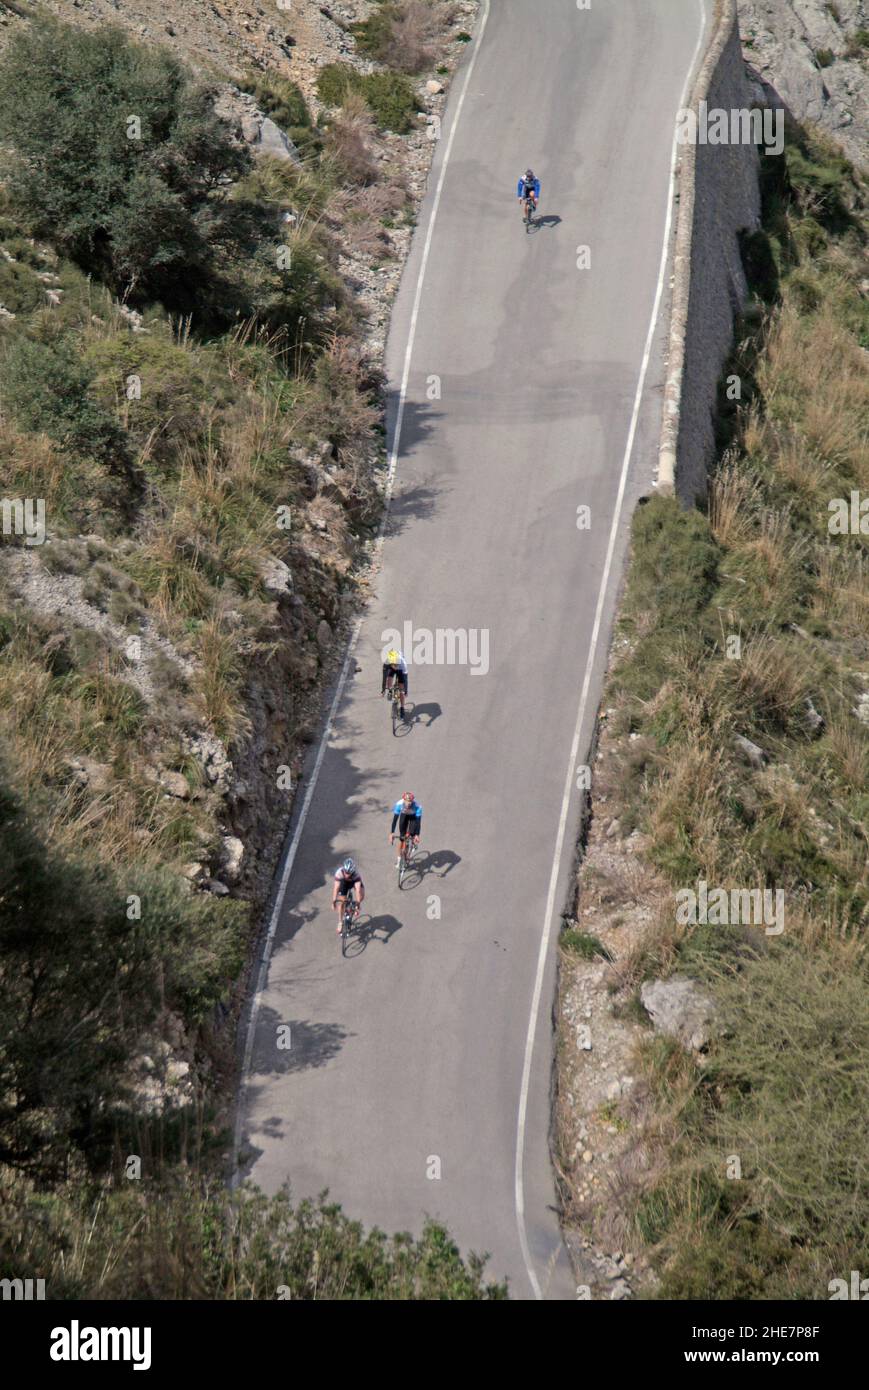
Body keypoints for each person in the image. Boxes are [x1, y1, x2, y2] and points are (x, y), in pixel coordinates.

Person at [332, 856, 365, 934]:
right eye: (346, 872)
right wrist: (333, 902)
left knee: (361, 896)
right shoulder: (339, 873)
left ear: (352, 871)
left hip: (354, 881)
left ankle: (353, 910)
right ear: (343, 869)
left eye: (349, 873)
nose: (347, 875)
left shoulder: (356, 875)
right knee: (341, 903)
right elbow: (336, 888)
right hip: (344, 883)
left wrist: (358, 905)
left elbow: (357, 890)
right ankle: (340, 922)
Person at [389, 791, 422, 863]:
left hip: (413, 817)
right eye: (406, 801)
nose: (408, 803)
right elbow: (395, 820)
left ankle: (412, 845)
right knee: (402, 837)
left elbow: (418, 822)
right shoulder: (399, 804)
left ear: (412, 801)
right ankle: (399, 859)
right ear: (403, 800)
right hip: (404, 815)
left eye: (410, 802)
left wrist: (417, 835)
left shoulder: (417, 807)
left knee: (412, 832)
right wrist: (391, 833)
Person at [381, 647, 409, 719]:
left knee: (401, 691)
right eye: (393, 664)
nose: (394, 665)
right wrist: (383, 689)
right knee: (389, 678)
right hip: (392, 668)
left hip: (401, 671)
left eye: (395, 664)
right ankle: (390, 691)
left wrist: (405, 691)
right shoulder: (387, 663)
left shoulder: (403, 664)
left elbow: (405, 679)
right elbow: (384, 677)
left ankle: (402, 708)